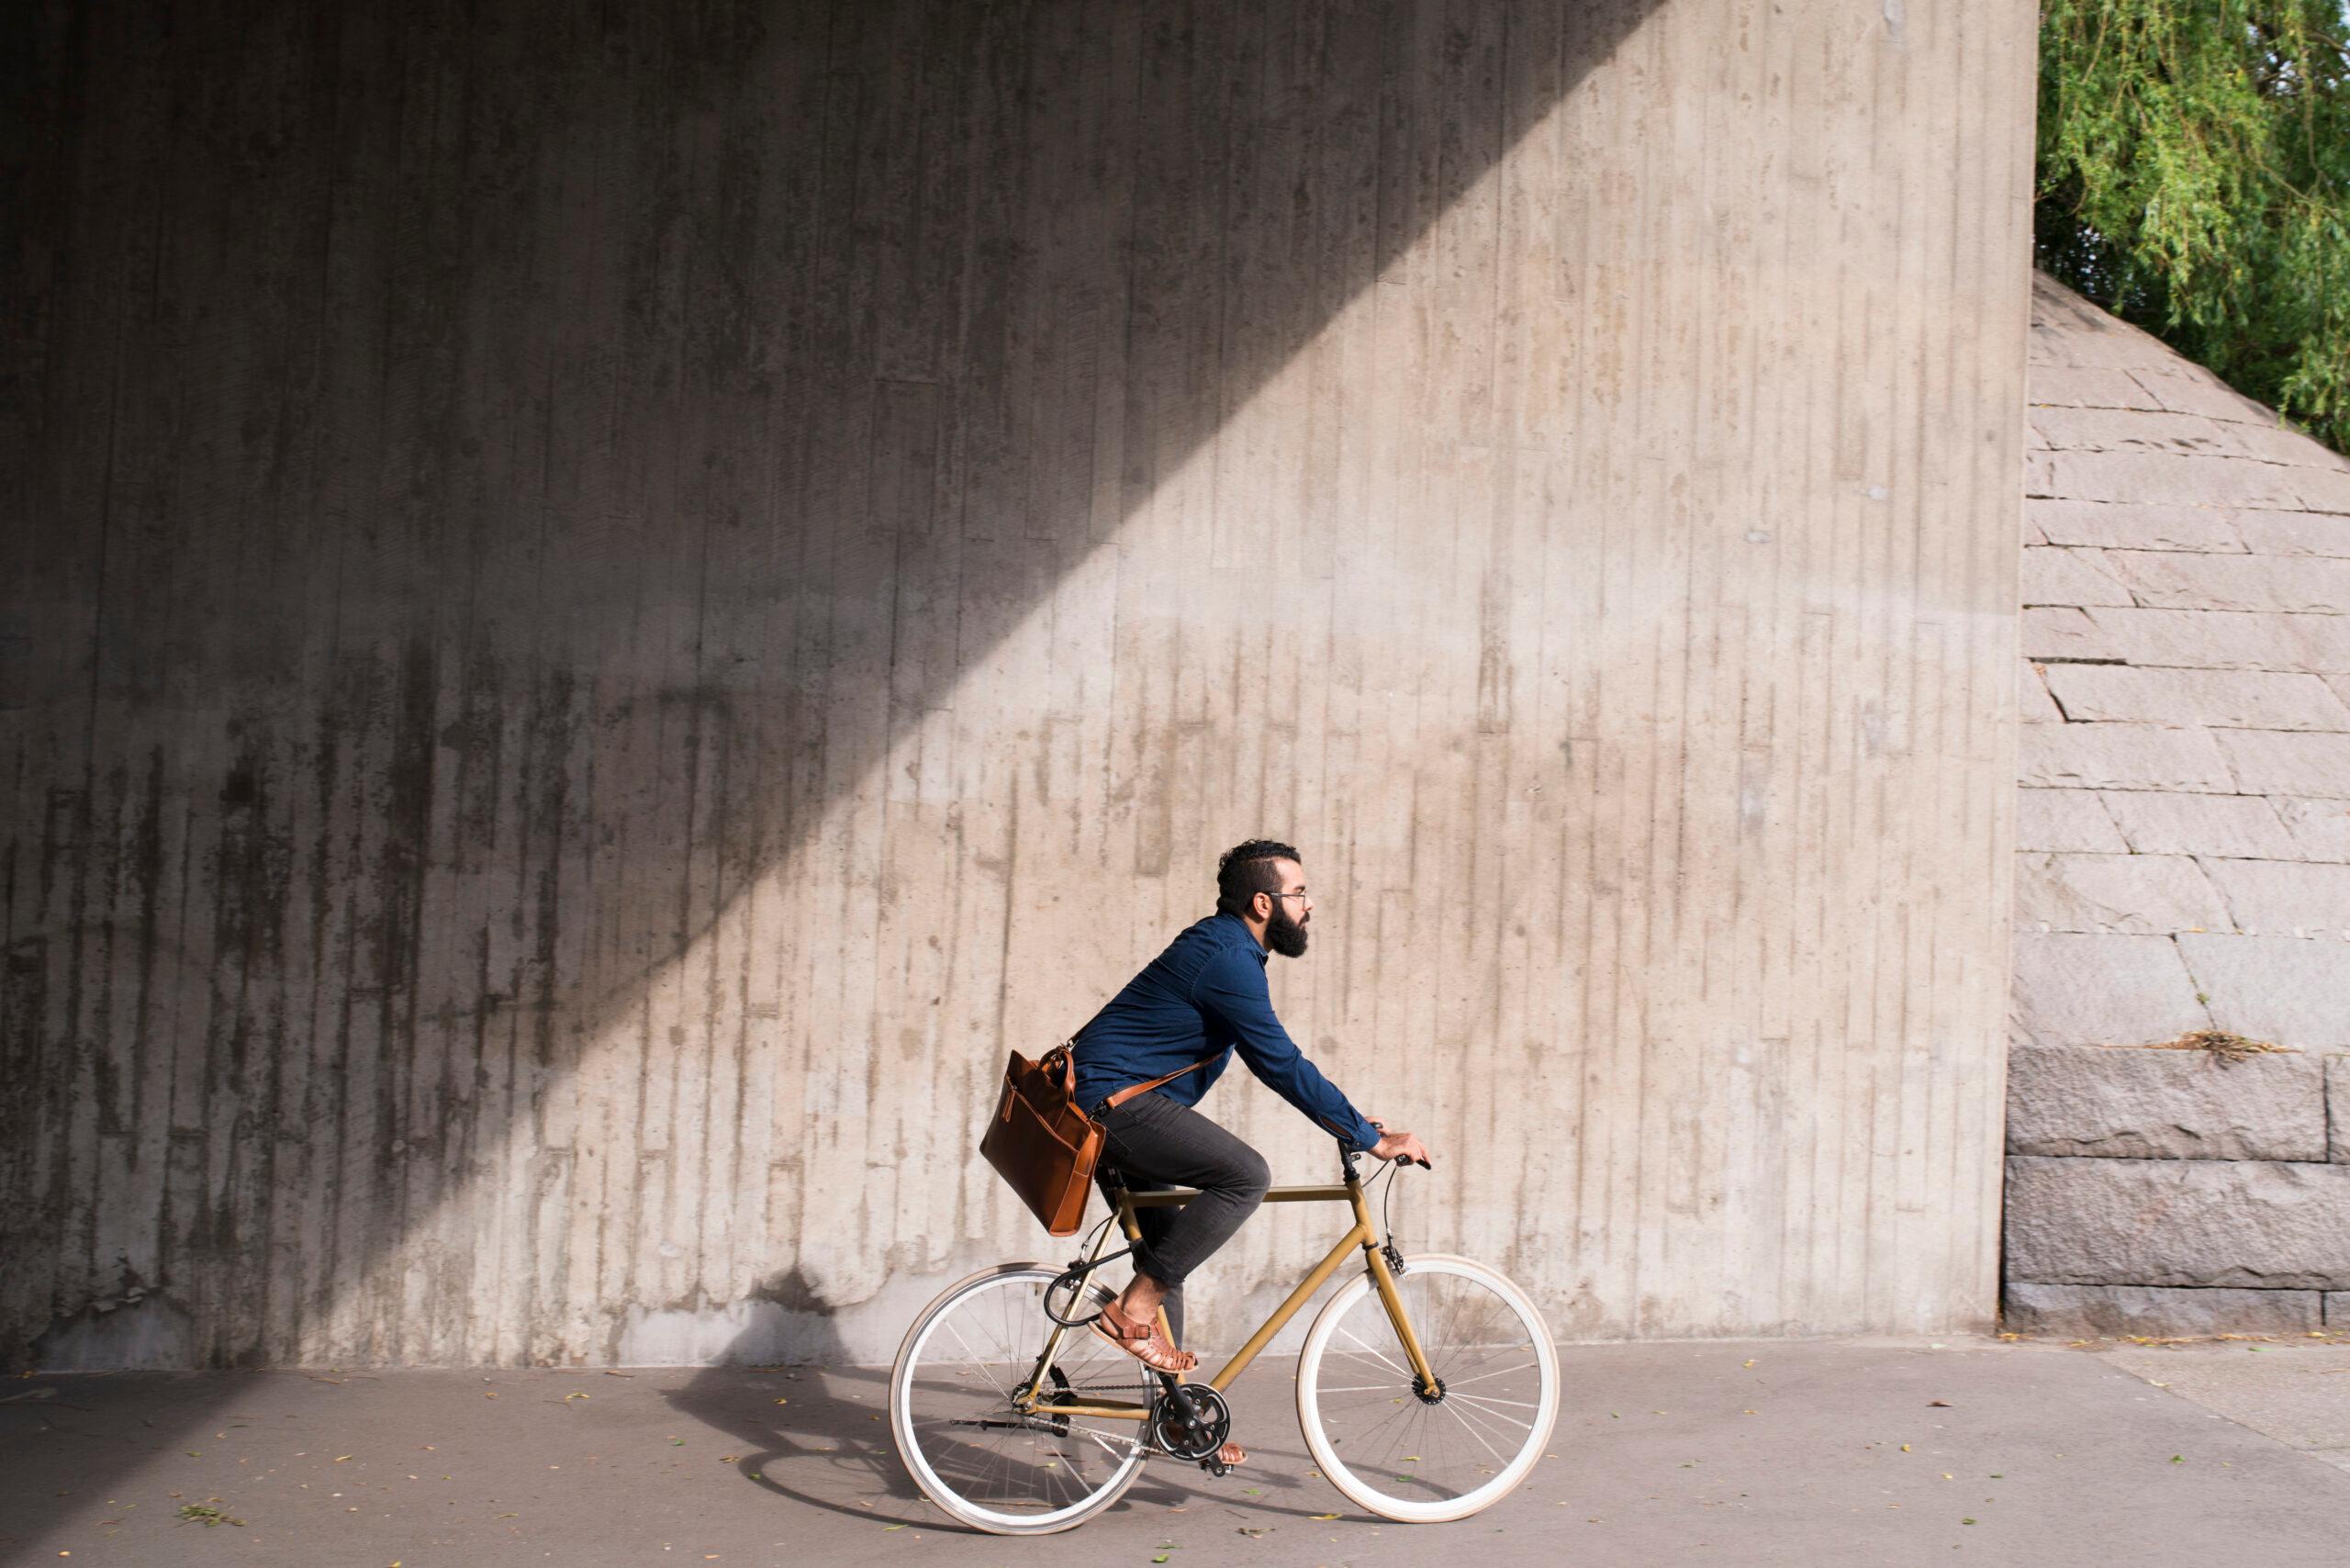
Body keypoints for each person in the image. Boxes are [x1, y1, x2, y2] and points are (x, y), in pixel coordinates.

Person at [1069, 839, 1433, 1468]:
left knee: (1166, 1261)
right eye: (1299, 894)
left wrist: (1348, 1121)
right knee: (1245, 1176)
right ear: (1263, 902)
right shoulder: (1227, 959)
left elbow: (1278, 1062)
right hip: (1111, 1105)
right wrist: (1368, 1137)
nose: (1310, 904)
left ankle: (1177, 1423)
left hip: (1108, 1103)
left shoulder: (1227, 949)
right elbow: (1280, 1062)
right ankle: (1130, 1311)